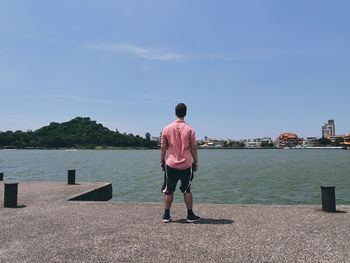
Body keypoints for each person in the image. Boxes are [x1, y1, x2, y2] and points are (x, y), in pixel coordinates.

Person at [160, 103, 200, 223]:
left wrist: (162, 161)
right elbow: (193, 147)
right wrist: (196, 161)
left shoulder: (166, 128)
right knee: (187, 189)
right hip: (186, 164)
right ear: (185, 113)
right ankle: (190, 215)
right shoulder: (190, 129)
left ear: (175, 113)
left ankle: (166, 215)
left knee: (169, 189)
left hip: (171, 163)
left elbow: (163, 147)